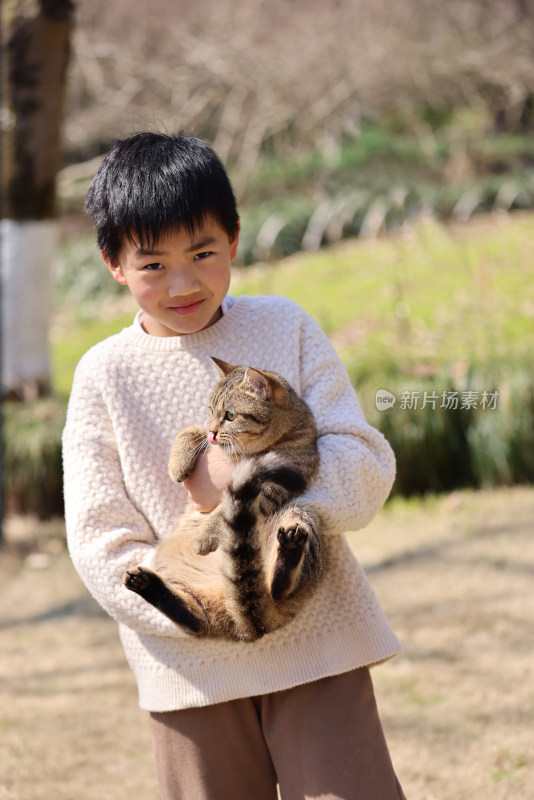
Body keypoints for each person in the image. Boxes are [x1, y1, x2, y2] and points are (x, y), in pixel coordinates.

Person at [63, 131, 406, 800]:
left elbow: (362, 461)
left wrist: (255, 492)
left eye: (202, 253)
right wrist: (201, 613)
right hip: (189, 672)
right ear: (113, 263)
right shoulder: (104, 374)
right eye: (153, 265)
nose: (183, 282)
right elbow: (99, 539)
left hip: (317, 645)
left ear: (236, 240)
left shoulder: (284, 325)